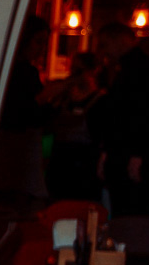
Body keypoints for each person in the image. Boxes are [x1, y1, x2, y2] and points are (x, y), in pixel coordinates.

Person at [92, 21, 149, 217]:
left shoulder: (137, 70)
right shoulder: (137, 68)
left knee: (129, 213)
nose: (103, 51)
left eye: (104, 45)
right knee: (131, 213)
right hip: (130, 153)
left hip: (129, 154)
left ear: (118, 41)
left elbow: (146, 115)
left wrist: (137, 154)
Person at [0, 15, 50, 206]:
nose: (42, 49)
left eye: (44, 43)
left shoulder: (14, 69)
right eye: (38, 42)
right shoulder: (21, 71)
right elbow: (27, 111)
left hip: (12, 144)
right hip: (14, 144)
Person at [40, 51, 105, 202]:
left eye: (79, 71)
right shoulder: (64, 98)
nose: (74, 75)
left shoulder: (100, 101)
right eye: (72, 70)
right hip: (60, 163)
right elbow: (42, 102)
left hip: (85, 165)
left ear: (92, 71)